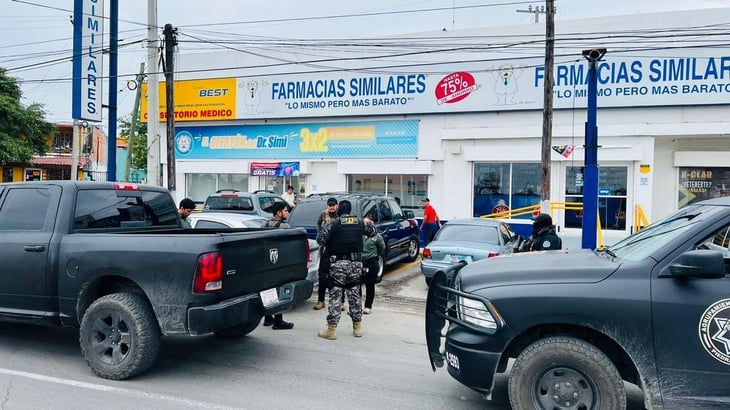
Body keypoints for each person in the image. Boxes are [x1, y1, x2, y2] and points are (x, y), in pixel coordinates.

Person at [316, 200, 375, 340]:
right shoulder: (359, 222)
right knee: (354, 294)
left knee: (336, 296)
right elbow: (373, 232)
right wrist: (367, 222)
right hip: (355, 264)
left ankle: (331, 330)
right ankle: (357, 328)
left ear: (338, 210)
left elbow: (320, 240)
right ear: (350, 210)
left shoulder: (334, 223)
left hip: (338, 263)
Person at [262, 202, 295, 330]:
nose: (287, 213)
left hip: (267, 262)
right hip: (279, 262)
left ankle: (268, 317)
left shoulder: (264, 225)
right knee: (279, 289)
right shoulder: (285, 226)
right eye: (285, 211)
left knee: (269, 289)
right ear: (279, 213)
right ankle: (278, 321)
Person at [313, 197, 338, 310]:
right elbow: (318, 224)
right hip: (325, 248)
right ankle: (321, 301)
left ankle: (339, 302)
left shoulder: (340, 216)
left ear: (337, 206)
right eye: (330, 205)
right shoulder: (323, 214)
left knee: (337, 277)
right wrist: (320, 234)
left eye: (333, 205)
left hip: (337, 249)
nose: (332, 207)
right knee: (322, 275)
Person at [361, 217, 385, 314]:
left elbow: (382, 247)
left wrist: (374, 256)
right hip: (360, 262)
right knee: (356, 285)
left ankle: (368, 306)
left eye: (368, 223)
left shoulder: (376, 236)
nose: (366, 225)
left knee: (370, 285)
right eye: (364, 223)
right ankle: (356, 306)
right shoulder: (359, 235)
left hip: (372, 262)